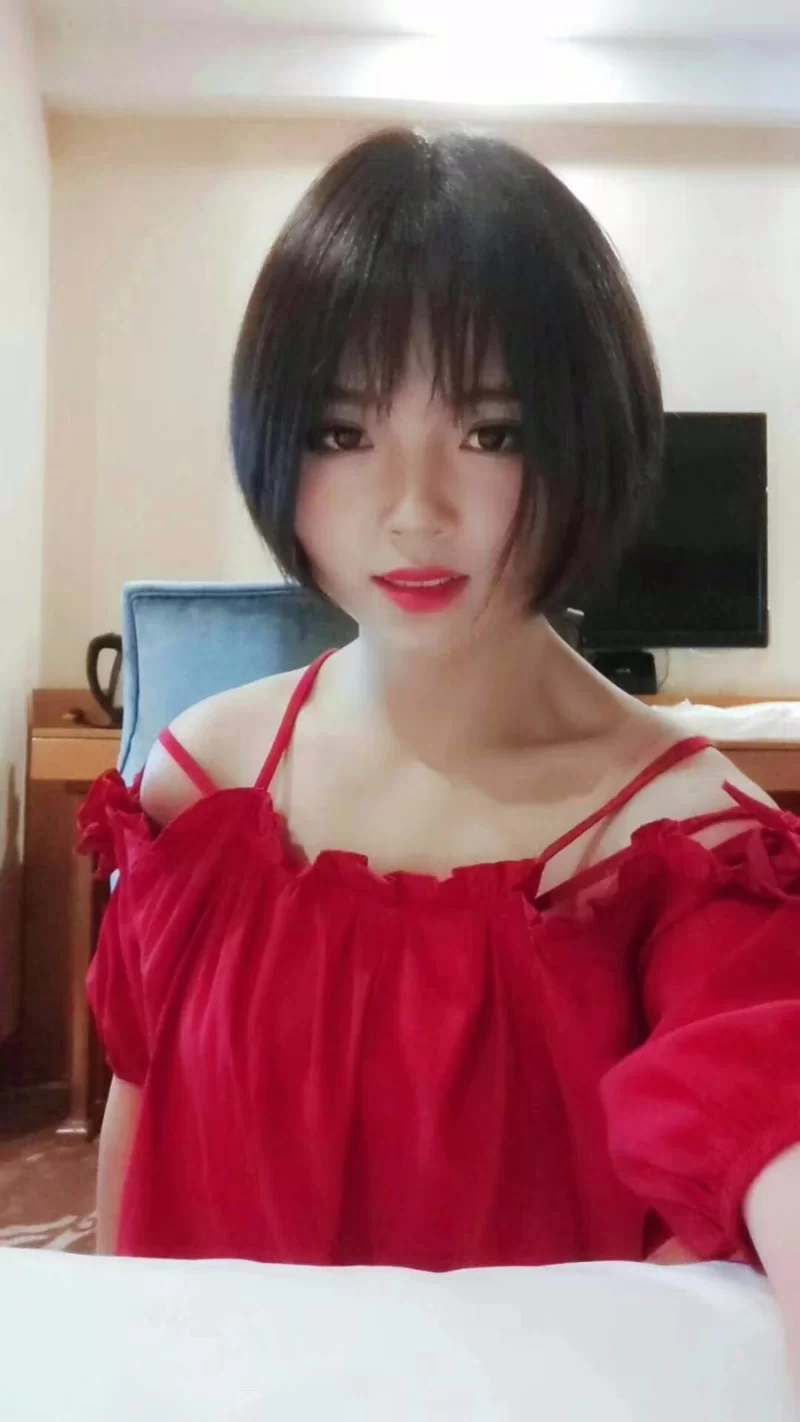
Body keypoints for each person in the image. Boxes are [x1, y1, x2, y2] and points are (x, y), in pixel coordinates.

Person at [78, 130, 800, 1358]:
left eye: (493, 432)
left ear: (590, 437)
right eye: (340, 432)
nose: (413, 509)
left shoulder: (686, 844)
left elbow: (767, 1108)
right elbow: (136, 1134)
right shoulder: (200, 784)